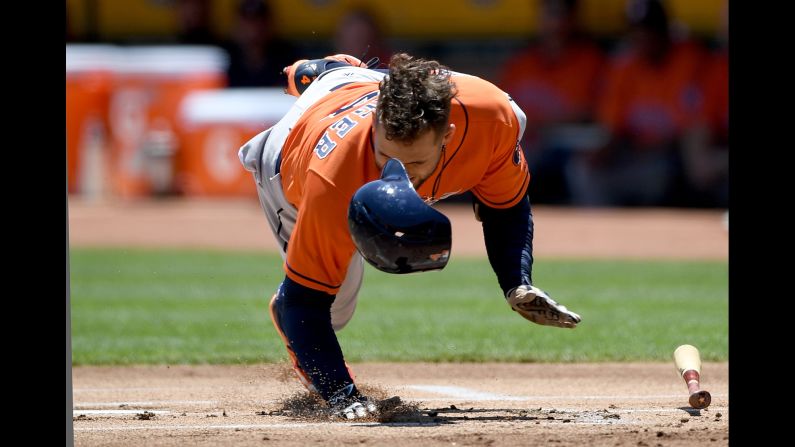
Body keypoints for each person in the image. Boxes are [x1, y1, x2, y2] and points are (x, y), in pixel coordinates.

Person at [238, 52, 582, 419]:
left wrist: (516, 281)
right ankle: (329, 77)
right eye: (385, 155)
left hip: (365, 90)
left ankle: (333, 75)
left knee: (506, 111)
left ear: (446, 134)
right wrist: (343, 396)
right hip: (289, 158)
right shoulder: (334, 180)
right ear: (376, 123)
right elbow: (303, 304)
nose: (399, 173)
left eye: (415, 163)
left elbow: (506, 207)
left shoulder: (493, 119)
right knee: (331, 308)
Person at [566, 0, 707, 206]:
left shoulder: (689, 62)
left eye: (649, 30)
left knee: (663, 171)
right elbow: (613, 129)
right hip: (632, 153)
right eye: (636, 31)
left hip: (669, 158)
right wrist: (601, 154)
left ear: (664, 30)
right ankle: (604, 231)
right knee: (581, 169)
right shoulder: (624, 67)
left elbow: (691, 130)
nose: (642, 37)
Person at [498, 0, 605, 203]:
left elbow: (590, 114)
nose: (553, 23)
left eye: (559, 14)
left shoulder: (589, 60)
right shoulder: (522, 62)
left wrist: (543, 125)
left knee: (583, 170)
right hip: (529, 142)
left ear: (572, 20)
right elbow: (501, 109)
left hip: (572, 144)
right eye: (548, 14)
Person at [225, 0, 299, 87]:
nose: (253, 29)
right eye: (247, 22)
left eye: (259, 21)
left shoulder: (288, 55)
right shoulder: (223, 56)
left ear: (270, 24)